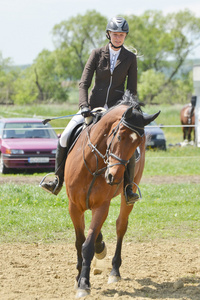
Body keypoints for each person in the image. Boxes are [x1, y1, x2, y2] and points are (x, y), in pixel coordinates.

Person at [40, 16, 139, 205]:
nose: (118, 38)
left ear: (125, 36)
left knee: (130, 149)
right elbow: (83, 83)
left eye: (122, 35)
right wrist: (84, 106)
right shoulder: (96, 53)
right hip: (92, 108)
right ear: (108, 34)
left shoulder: (130, 58)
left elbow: (132, 90)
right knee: (65, 136)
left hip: (117, 112)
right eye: (115, 34)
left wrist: (127, 111)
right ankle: (57, 180)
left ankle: (128, 189)